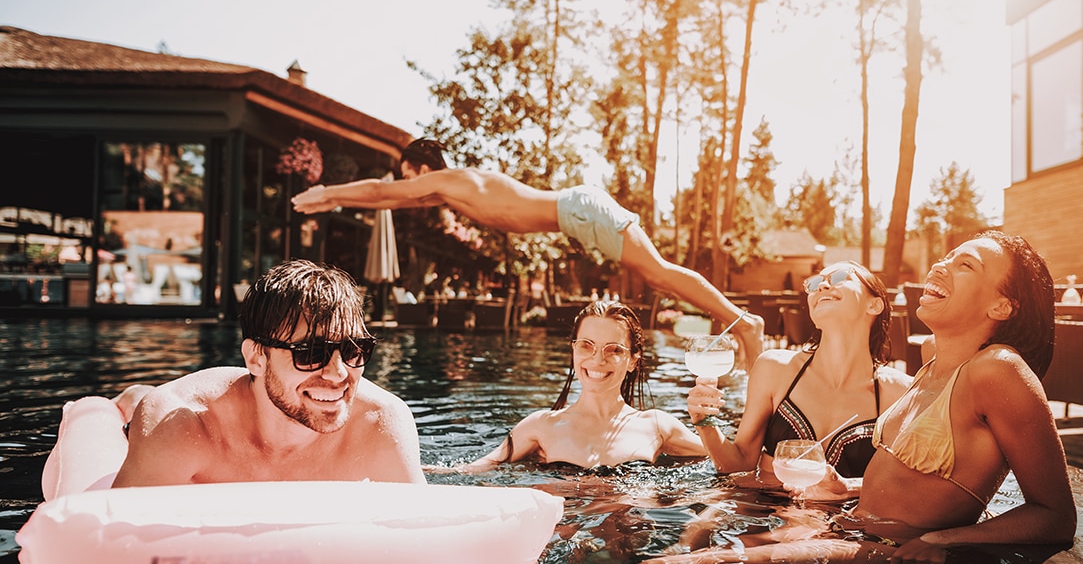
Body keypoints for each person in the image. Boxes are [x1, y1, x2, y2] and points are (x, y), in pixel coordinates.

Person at [628, 231, 1076, 564]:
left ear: (1001, 304)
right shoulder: (931, 368)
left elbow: (1055, 516)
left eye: (965, 264)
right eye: (947, 256)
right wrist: (846, 487)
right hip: (847, 525)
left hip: (884, 547)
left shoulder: (997, 370)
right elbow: (910, 480)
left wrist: (947, 539)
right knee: (674, 556)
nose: (941, 265)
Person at [291, 138, 765, 368]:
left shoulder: (450, 179)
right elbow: (392, 195)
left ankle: (745, 324)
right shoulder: (451, 190)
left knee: (659, 273)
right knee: (658, 274)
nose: (407, 183)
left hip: (579, 211)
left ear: (420, 167)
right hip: (578, 213)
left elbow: (382, 191)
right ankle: (741, 324)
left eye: (408, 172)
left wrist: (329, 193)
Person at [42, 259, 425, 498]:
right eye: (310, 354)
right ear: (255, 357)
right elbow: (109, 551)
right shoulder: (181, 425)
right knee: (101, 446)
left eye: (355, 350)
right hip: (164, 424)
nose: (339, 373)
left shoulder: (381, 424)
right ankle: (110, 406)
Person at [689, 261, 913, 487]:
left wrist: (849, 488)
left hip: (843, 518)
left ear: (874, 305)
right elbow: (738, 465)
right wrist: (705, 423)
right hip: (765, 511)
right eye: (814, 284)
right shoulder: (774, 369)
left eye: (839, 278)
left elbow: (904, 486)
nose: (822, 286)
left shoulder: (898, 393)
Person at [461, 300, 707, 470]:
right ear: (573, 350)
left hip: (633, 541)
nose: (598, 360)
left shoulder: (657, 425)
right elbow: (472, 472)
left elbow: (728, 461)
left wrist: (703, 420)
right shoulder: (541, 425)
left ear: (633, 360)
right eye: (586, 345)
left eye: (614, 349)